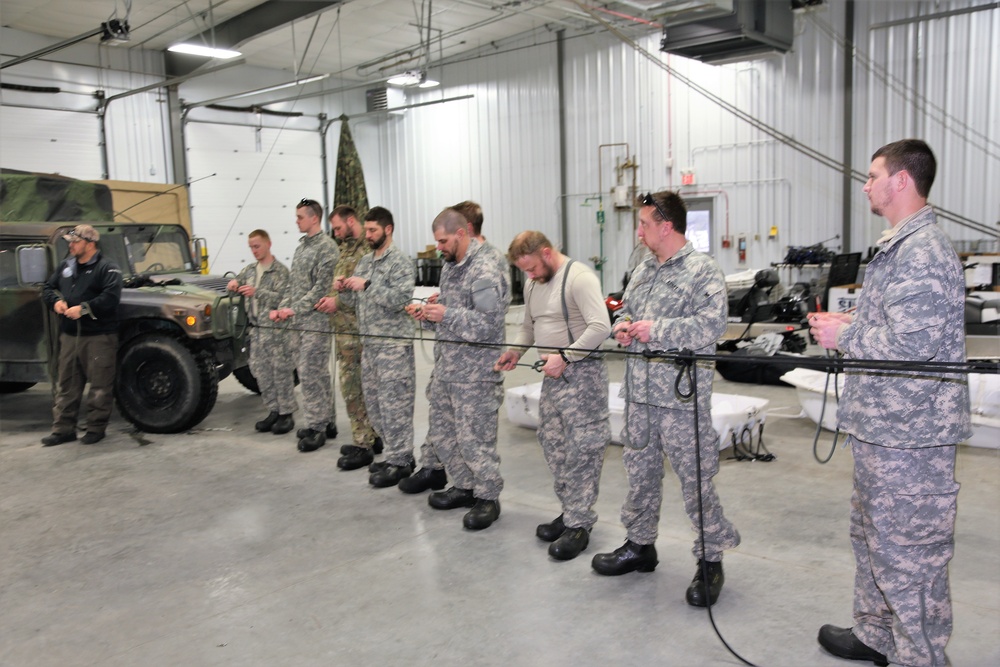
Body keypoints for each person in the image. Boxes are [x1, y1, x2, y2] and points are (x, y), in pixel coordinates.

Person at [809, 139, 970, 667]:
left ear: (902, 180)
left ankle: (919, 656)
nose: (866, 184)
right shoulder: (897, 246)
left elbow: (913, 347)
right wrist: (846, 329)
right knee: (874, 541)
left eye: (873, 175)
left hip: (912, 437)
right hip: (884, 428)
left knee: (910, 556)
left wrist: (845, 334)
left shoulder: (923, 251)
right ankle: (877, 635)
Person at [591, 191, 740, 609]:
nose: (638, 231)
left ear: (666, 226)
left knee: (695, 480)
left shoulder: (702, 271)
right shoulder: (641, 271)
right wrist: (621, 325)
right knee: (639, 473)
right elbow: (624, 310)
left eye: (643, 224)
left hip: (680, 400)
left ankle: (710, 560)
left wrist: (655, 329)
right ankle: (640, 545)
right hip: (639, 394)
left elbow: (711, 326)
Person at [496, 231, 611, 559]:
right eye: (524, 271)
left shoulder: (579, 278)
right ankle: (571, 509)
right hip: (553, 375)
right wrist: (516, 351)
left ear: (546, 253)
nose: (528, 275)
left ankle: (580, 524)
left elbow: (600, 327)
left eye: (531, 268)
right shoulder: (534, 283)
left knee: (584, 449)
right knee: (553, 443)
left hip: (582, 376)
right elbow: (529, 327)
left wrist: (567, 356)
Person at [405, 208, 510, 530]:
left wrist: (445, 314)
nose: (439, 247)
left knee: (474, 440)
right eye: (437, 242)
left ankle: (488, 497)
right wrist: (429, 314)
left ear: (462, 233)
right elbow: (451, 314)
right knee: (443, 434)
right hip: (447, 368)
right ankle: (464, 487)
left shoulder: (484, 269)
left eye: (444, 241)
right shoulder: (451, 266)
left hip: (475, 375)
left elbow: (488, 325)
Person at [342, 206, 417, 487]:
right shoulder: (364, 261)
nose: (368, 234)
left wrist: (368, 285)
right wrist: (345, 288)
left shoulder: (399, 262)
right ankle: (393, 453)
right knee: (375, 406)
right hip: (370, 347)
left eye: (373, 230)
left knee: (394, 405)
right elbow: (354, 302)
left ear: (388, 229)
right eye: (367, 229)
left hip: (392, 347)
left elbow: (400, 298)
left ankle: (402, 460)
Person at [40, 224, 123, 446]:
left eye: (75, 242)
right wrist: (56, 302)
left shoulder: (108, 268)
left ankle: (96, 428)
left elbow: (111, 298)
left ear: (90, 243)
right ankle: (63, 429)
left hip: (98, 337)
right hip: (69, 336)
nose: (71, 245)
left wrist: (84, 308)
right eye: (70, 241)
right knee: (67, 383)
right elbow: (47, 287)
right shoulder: (67, 266)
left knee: (99, 384)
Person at [270, 198, 339, 452]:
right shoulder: (301, 248)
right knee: (317, 373)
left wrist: (294, 308)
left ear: (313, 218)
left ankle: (317, 427)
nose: (296, 221)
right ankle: (327, 420)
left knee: (310, 373)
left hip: (316, 321)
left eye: (300, 217)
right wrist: (283, 307)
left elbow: (321, 288)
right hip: (299, 321)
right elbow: (294, 285)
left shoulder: (327, 247)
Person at [315, 206, 381, 470]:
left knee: (354, 388)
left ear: (351, 221)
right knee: (357, 387)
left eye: (339, 228)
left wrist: (337, 301)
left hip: (358, 333)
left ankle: (363, 444)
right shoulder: (346, 249)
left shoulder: (367, 251)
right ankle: (370, 435)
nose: (336, 233)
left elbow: (368, 294)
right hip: (344, 333)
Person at [227, 230, 295, 435]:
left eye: (257, 246)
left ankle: (287, 413)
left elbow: (284, 299)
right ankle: (273, 410)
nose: (254, 251)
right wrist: (233, 284)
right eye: (251, 247)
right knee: (262, 373)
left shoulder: (280, 271)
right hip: (256, 331)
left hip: (275, 331)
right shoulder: (249, 270)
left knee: (280, 372)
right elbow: (236, 281)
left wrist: (258, 293)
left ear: (268, 244)